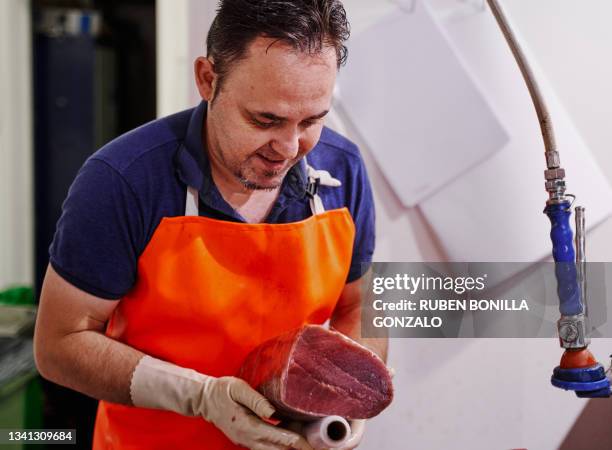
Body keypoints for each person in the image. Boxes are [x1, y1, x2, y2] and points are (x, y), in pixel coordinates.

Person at [34, 0, 387, 449]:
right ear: (207, 79)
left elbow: (360, 305)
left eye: (312, 121)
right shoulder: (124, 179)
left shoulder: (343, 168)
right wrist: (199, 397)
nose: (289, 147)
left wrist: (350, 391)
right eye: (265, 119)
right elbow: (60, 344)